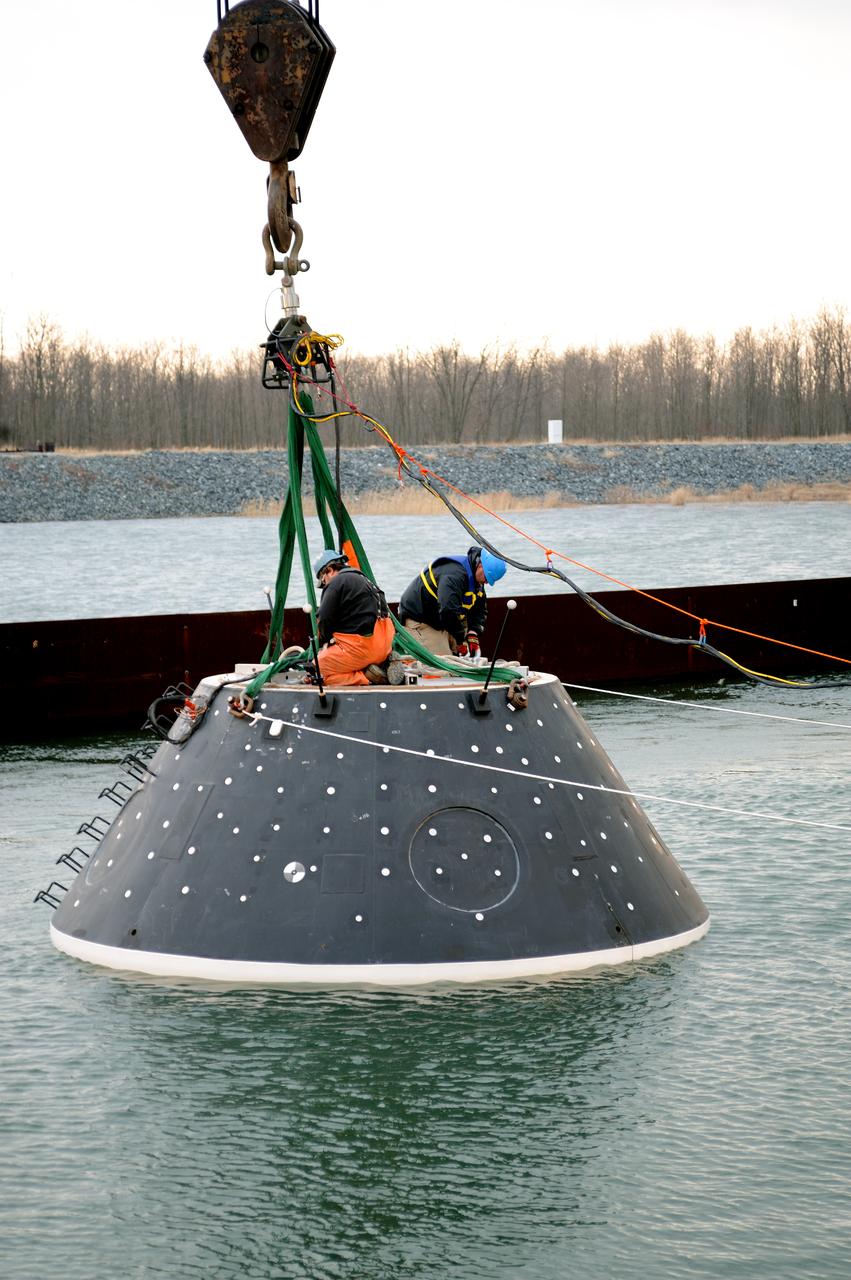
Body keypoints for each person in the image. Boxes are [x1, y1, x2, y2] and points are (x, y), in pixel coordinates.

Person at [398, 545, 507, 657]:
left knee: (464, 660)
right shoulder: (453, 576)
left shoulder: (476, 578)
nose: (487, 582)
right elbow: (448, 611)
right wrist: (460, 640)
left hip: (443, 621)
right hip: (421, 621)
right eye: (487, 577)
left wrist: (473, 632)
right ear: (480, 566)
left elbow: (479, 608)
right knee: (441, 664)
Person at [311, 549, 398, 686]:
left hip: (361, 649)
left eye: (323, 581)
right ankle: (381, 665)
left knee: (316, 669)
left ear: (329, 570)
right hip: (384, 647)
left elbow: (324, 619)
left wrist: (323, 644)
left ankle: (367, 677)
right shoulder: (366, 580)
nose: (325, 584)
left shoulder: (336, 582)